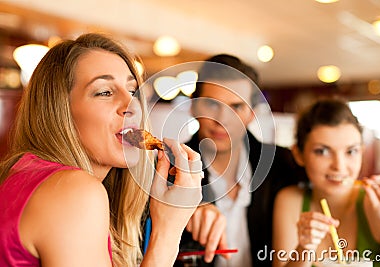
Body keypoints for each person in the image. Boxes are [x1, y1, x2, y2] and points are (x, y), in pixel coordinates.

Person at [0, 33, 204, 267]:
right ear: (60, 111)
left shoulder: (25, 175)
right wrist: (167, 232)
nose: (131, 106)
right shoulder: (73, 192)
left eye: (132, 91)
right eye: (105, 92)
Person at [178, 54, 305, 267]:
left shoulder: (283, 164)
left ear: (251, 113)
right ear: (193, 105)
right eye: (211, 104)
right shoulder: (166, 167)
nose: (223, 119)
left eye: (236, 107)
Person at [272, 98, 380, 267]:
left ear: (362, 152)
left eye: (351, 151)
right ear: (298, 154)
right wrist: (304, 248)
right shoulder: (290, 201)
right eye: (322, 151)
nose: (339, 166)